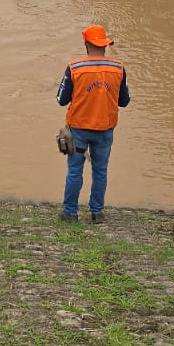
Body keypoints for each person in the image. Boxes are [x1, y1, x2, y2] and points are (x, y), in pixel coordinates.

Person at [56, 25, 130, 224]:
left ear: (86, 44)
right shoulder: (118, 68)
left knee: (74, 171)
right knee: (100, 171)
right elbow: (124, 101)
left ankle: (70, 213)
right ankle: (97, 213)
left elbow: (61, 100)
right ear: (105, 45)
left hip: (78, 129)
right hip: (105, 129)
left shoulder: (74, 67)